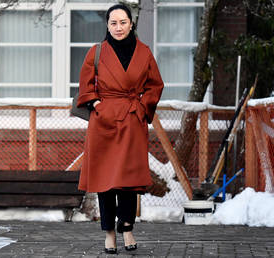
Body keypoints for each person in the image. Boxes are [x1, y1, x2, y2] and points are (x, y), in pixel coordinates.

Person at [76, 3, 164, 254]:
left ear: (131, 23)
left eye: (123, 22)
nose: (118, 27)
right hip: (103, 122)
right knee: (106, 182)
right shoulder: (96, 52)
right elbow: (85, 85)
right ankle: (109, 233)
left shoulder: (144, 52)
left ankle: (127, 228)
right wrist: (96, 103)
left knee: (128, 182)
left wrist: (141, 107)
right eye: (113, 23)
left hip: (132, 121)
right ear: (107, 25)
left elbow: (155, 85)